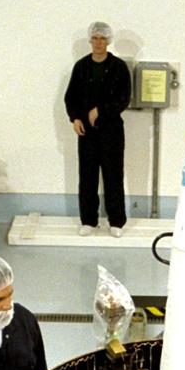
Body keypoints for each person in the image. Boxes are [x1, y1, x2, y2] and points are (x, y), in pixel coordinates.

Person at [64, 20, 131, 237]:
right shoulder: (81, 67)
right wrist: (75, 118)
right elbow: (70, 97)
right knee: (88, 176)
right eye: (95, 38)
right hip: (87, 133)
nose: (98, 42)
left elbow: (124, 99)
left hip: (111, 131)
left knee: (113, 175)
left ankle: (117, 221)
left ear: (108, 41)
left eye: (102, 38)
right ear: (90, 40)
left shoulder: (119, 67)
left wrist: (100, 110)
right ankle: (88, 220)